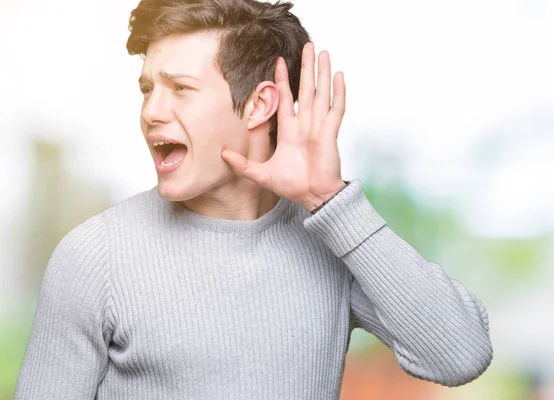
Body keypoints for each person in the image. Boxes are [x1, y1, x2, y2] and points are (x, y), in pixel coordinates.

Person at [14, 0, 493, 398]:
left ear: (261, 105)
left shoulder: (331, 236)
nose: (152, 111)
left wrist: (330, 199)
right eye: (148, 89)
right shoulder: (96, 256)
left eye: (181, 89)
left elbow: (460, 354)